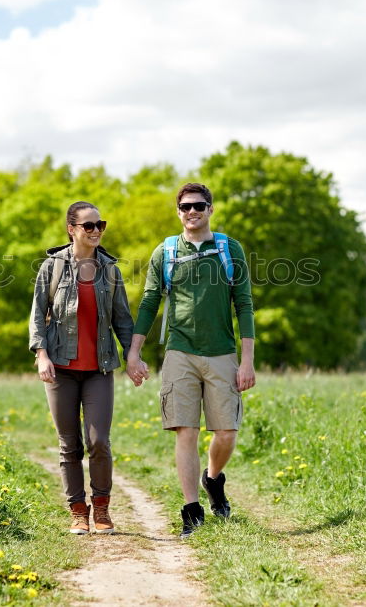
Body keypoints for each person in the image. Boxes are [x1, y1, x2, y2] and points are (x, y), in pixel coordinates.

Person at [126, 182, 256, 538]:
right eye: (185, 207)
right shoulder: (165, 252)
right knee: (186, 430)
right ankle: (191, 509)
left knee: (226, 432)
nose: (192, 212)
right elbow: (149, 303)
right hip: (179, 352)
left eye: (199, 205)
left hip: (223, 352)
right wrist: (134, 352)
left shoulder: (230, 250)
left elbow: (244, 304)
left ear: (211, 209)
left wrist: (247, 361)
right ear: (179, 212)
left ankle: (213, 481)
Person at [29, 201, 135, 535]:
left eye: (100, 225)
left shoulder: (110, 269)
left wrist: (134, 356)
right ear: (72, 230)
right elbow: (37, 315)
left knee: (99, 441)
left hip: (99, 368)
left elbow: (122, 318)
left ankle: (101, 508)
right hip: (60, 367)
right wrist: (41, 355)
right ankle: (78, 511)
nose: (96, 231)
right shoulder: (52, 267)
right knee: (69, 443)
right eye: (88, 225)